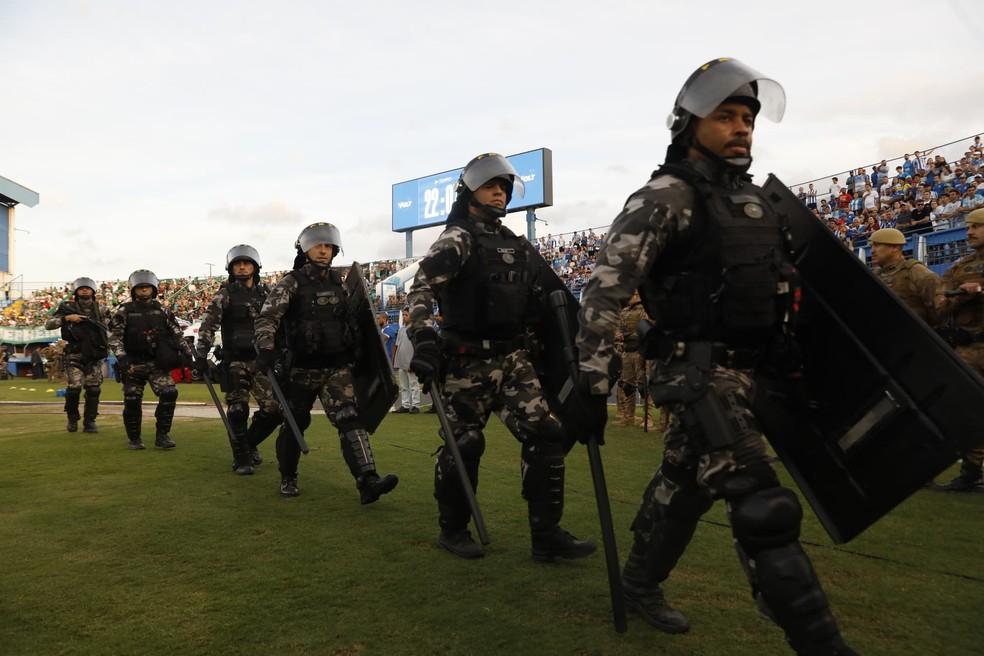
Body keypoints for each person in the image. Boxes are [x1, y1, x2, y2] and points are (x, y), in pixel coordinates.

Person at [572, 58, 856, 654]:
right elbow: (604, 292)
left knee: (685, 482)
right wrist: (593, 383)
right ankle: (822, 644)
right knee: (762, 504)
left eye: (748, 116)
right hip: (696, 373)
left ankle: (638, 584)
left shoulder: (758, 202)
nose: (741, 126)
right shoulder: (664, 197)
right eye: (724, 115)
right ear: (688, 124)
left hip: (757, 372)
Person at [407, 152, 596, 562]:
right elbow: (421, 289)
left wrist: (587, 343)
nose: (500, 192)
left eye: (505, 187)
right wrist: (423, 338)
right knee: (466, 444)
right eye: (492, 185)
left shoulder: (519, 246)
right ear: (469, 192)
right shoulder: (457, 239)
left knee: (547, 435)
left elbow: (553, 300)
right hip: (464, 362)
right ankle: (453, 529)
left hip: (513, 360)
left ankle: (547, 536)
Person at [253, 222, 398, 502]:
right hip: (300, 368)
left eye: (328, 246)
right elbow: (267, 317)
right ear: (305, 249)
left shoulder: (339, 283)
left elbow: (355, 319)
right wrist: (266, 347)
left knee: (349, 417)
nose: (323, 251)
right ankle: (288, 477)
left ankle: (367, 480)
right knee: (296, 421)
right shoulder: (291, 282)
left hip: (336, 367)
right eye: (318, 246)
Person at [194, 245, 281, 475]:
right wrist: (201, 356)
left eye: (246, 263)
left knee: (274, 410)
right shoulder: (224, 295)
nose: (242, 267)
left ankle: (249, 443)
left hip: (262, 362)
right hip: (234, 361)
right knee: (237, 409)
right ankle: (241, 458)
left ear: (255, 267)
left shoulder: (267, 295)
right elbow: (208, 326)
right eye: (237, 264)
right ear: (231, 268)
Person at [109, 270, 194, 450]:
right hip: (133, 363)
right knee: (132, 400)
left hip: (157, 362)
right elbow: (115, 338)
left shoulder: (162, 310)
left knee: (169, 393)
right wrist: (122, 358)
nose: (144, 291)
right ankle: (134, 438)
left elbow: (177, 334)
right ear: (133, 290)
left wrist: (188, 354)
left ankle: (162, 435)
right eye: (140, 288)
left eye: (147, 287)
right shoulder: (124, 311)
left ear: (153, 288)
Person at [932, 208, 984, 491]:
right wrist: (959, 299)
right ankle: (971, 472)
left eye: (976, 227)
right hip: (970, 347)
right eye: (968, 227)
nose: (970, 232)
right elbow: (939, 305)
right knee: (968, 408)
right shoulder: (960, 267)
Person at [45, 278, 110, 432]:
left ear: (93, 291)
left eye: (88, 288)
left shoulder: (101, 309)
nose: (85, 290)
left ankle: (90, 421)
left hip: (94, 354)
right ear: (76, 291)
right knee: (74, 388)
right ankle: (72, 419)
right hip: (74, 353)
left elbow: (112, 327)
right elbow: (48, 324)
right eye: (81, 288)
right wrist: (67, 318)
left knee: (93, 389)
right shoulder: (67, 307)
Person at [868, 229, 939, 324]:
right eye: (871, 246)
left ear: (895, 248)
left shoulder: (916, 271)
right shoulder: (875, 274)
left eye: (877, 245)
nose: (872, 251)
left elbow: (938, 311)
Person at [614, 290, 652, 427]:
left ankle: (648, 419)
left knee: (643, 386)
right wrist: (617, 333)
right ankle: (628, 416)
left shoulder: (645, 310)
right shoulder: (623, 311)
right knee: (627, 386)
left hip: (639, 351)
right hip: (627, 351)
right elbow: (617, 327)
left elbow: (648, 328)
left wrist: (628, 334)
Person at [392, 306, 421, 413]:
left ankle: (416, 405)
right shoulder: (401, 329)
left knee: (414, 384)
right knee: (404, 386)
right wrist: (395, 360)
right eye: (403, 315)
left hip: (411, 362)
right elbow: (396, 345)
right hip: (401, 362)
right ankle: (405, 404)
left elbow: (417, 348)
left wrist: (413, 362)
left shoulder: (416, 329)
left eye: (406, 315)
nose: (404, 317)